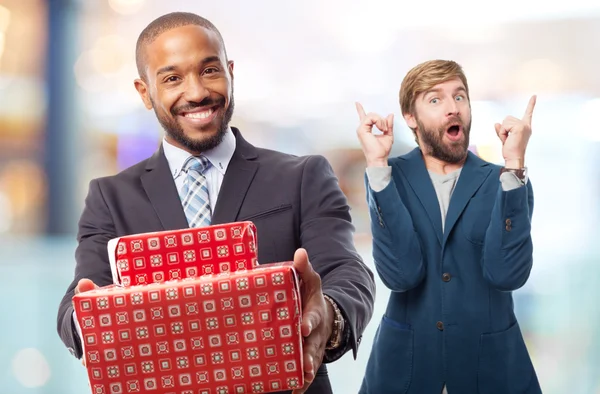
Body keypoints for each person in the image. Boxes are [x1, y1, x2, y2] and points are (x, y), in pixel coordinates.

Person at [56, 12, 375, 394]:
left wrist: (330, 318)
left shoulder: (302, 176)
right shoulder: (110, 197)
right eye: (172, 78)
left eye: (209, 70)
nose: (196, 93)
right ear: (145, 92)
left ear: (231, 71)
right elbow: (76, 303)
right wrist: (90, 321)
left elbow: (348, 273)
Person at [355, 59, 542, 394]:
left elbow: (507, 275)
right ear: (410, 117)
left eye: (459, 97)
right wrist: (377, 165)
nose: (453, 108)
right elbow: (401, 276)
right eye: (435, 99)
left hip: (493, 371)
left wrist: (514, 164)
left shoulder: (505, 180)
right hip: (405, 371)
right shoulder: (387, 178)